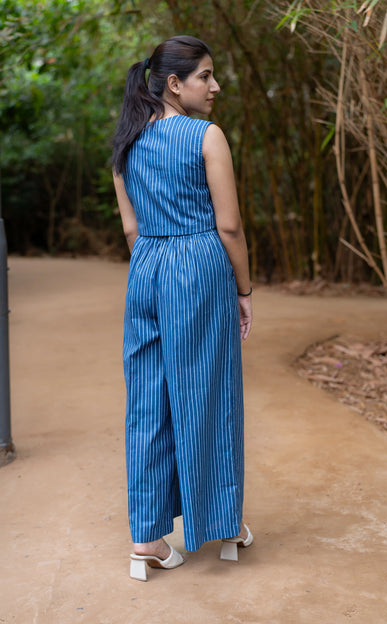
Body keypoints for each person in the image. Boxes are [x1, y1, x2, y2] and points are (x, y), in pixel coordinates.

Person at [112, 35, 253, 581]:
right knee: (206, 392)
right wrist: (243, 289)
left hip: (145, 268)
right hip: (198, 266)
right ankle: (225, 524)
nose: (215, 86)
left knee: (147, 400)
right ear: (175, 83)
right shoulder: (205, 136)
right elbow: (230, 226)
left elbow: (130, 227)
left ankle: (146, 540)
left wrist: (155, 264)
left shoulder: (125, 141)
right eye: (206, 76)